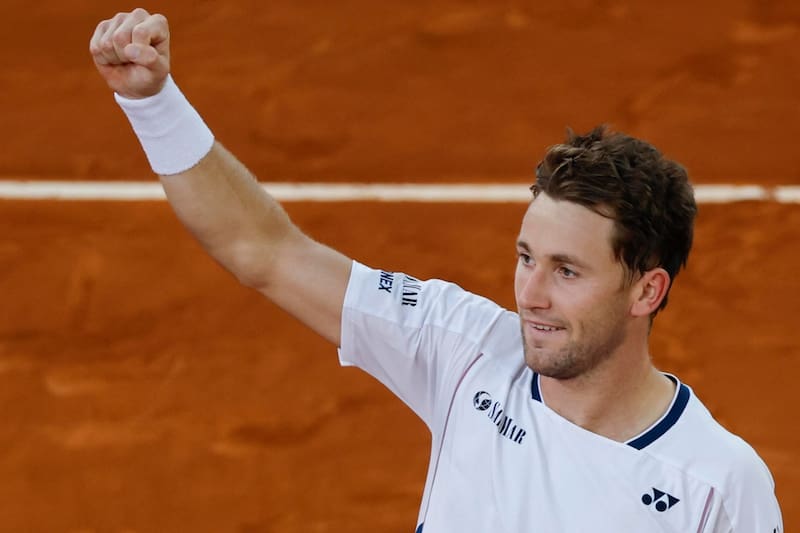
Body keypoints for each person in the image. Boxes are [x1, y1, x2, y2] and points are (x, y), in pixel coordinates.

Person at [89, 8, 783, 532]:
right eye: (525, 257)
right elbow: (264, 251)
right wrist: (152, 103)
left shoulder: (717, 486)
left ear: (647, 289)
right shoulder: (467, 347)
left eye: (567, 271)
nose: (531, 295)